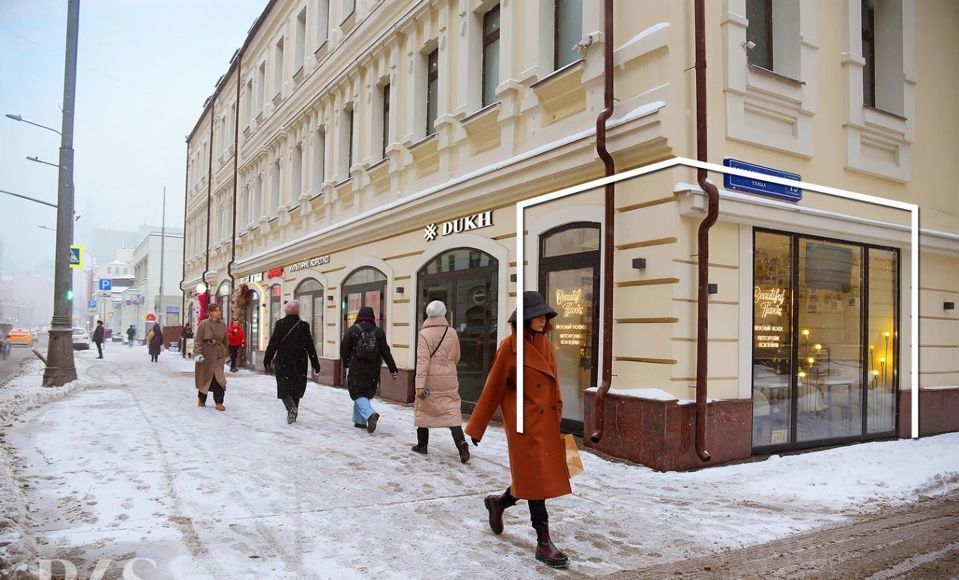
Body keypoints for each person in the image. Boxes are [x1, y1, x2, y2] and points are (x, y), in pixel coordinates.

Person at [465, 291, 571, 569]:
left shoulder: (545, 344)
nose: (541, 319)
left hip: (545, 424)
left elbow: (555, 383)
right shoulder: (509, 347)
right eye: (535, 314)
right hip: (524, 427)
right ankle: (544, 542)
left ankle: (499, 502)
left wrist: (557, 413)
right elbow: (493, 387)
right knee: (538, 483)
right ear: (523, 319)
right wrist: (477, 427)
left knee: (535, 478)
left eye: (543, 314)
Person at [411, 300, 469, 463]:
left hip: (430, 376)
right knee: (451, 409)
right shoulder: (452, 332)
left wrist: (419, 385)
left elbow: (423, 361)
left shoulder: (424, 334)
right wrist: (448, 366)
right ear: (443, 314)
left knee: (423, 408)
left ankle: (422, 445)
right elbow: (457, 356)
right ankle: (461, 442)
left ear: (428, 315)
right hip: (449, 374)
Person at [340, 306, 398, 434]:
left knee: (357, 393)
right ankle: (360, 421)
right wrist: (392, 368)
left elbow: (344, 348)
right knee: (364, 393)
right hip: (373, 368)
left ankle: (370, 414)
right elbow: (385, 351)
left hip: (357, 367)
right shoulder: (378, 332)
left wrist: (346, 362)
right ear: (372, 317)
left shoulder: (353, 330)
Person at [264, 300, 321, 424]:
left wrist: (267, 359)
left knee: (283, 386)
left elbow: (273, 343)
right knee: (297, 386)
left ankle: (291, 408)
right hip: (300, 361)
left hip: (283, 360)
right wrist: (315, 363)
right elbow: (310, 346)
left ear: (286, 310)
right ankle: (294, 411)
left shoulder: (280, 324)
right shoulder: (304, 326)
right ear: (298, 311)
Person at [194, 303, 228, 411]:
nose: (218, 312)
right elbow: (198, 340)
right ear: (210, 312)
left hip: (218, 354)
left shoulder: (223, 325)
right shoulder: (203, 324)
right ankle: (202, 399)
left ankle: (219, 401)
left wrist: (225, 352)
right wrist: (197, 353)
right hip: (206, 353)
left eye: (219, 310)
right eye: (216, 310)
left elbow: (225, 341)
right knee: (205, 377)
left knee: (219, 378)